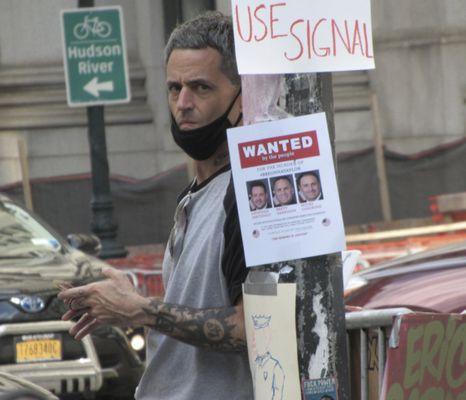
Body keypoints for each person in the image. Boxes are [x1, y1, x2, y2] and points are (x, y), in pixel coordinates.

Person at [58, 12, 253, 400]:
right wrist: (131, 300)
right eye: (174, 88)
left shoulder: (248, 193)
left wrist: (141, 310)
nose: (183, 103)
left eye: (200, 88)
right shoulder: (193, 194)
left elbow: (255, 328)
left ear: (241, 95)